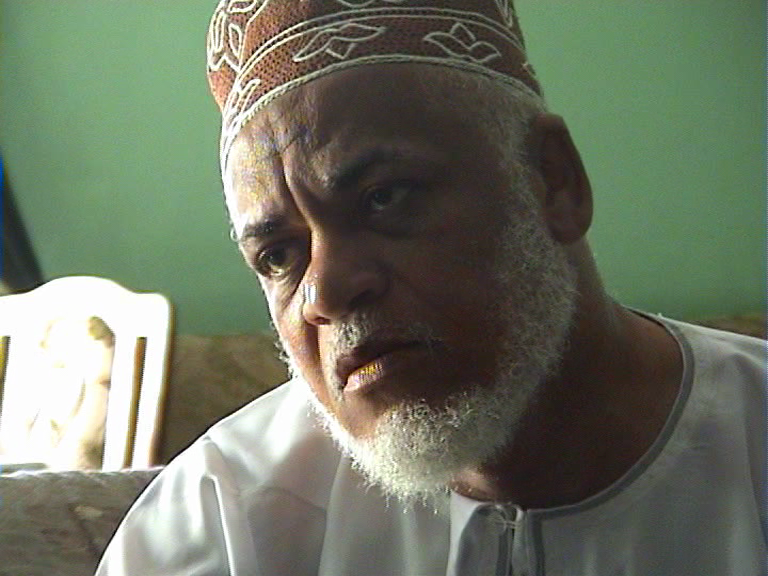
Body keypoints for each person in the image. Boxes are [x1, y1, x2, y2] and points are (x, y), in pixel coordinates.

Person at [97, 1, 767, 574]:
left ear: (553, 181)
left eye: (384, 198)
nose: (325, 292)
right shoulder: (224, 517)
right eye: (278, 256)